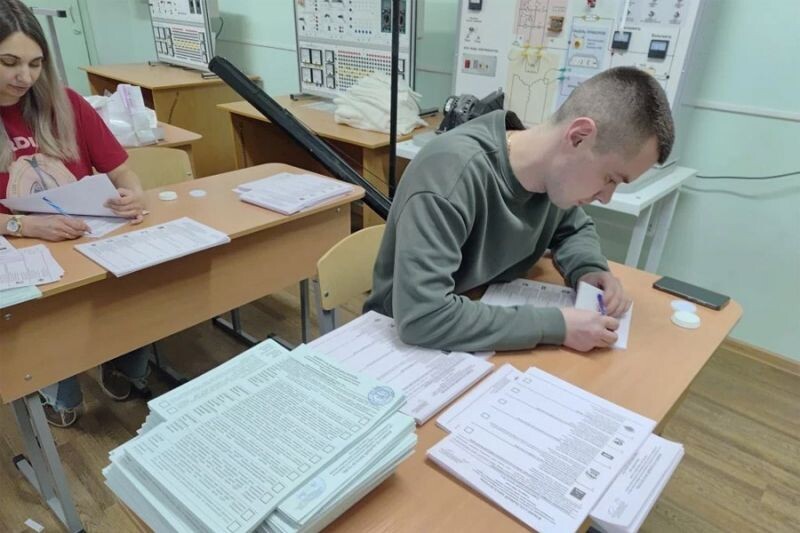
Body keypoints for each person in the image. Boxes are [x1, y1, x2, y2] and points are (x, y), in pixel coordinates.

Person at [365, 66, 675, 353]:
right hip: (398, 344)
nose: (606, 197)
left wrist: (588, 269)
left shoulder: (549, 177)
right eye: (610, 178)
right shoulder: (449, 173)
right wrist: (556, 326)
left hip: (474, 324)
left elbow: (574, 229)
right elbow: (423, 317)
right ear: (579, 137)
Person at [0, 0, 149, 427]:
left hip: (88, 237)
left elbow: (122, 171)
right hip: (20, 248)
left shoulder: (64, 103)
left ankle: (122, 365)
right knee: (45, 316)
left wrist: (134, 194)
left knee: (140, 281)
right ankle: (56, 388)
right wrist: (25, 225)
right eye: (9, 62)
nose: (24, 77)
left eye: (35, 64)